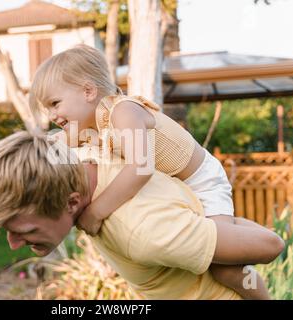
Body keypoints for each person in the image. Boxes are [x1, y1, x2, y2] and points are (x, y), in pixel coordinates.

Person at [27, 44, 271, 299]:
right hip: (173, 187)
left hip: (201, 182)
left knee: (224, 268)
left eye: (55, 103)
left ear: (88, 91)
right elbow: (54, 145)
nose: (52, 115)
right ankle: (235, 227)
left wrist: (97, 211)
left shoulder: (124, 112)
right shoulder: (87, 126)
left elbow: (141, 168)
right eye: (48, 108)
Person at [0, 132, 285, 300]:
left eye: (23, 229)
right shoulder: (76, 156)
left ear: (71, 203)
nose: (13, 244)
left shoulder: (144, 231)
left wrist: (209, 226)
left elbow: (270, 245)